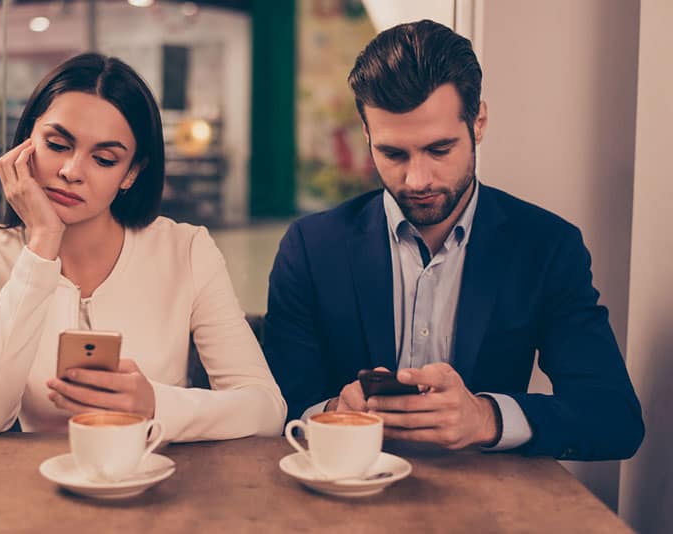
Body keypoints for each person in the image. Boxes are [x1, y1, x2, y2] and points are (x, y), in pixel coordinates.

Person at [264, 20, 643, 460]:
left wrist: (486, 418)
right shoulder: (311, 247)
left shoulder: (546, 246)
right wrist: (332, 411)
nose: (417, 179)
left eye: (439, 150)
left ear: (478, 122)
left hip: (487, 507)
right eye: (393, 153)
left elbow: (615, 417)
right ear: (366, 134)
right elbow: (276, 406)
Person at [0, 53, 286, 441]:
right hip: (35, 488)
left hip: (152, 482)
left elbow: (265, 410)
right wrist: (41, 244)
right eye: (57, 144)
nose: (72, 172)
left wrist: (155, 404)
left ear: (131, 173)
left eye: (104, 159)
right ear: (26, 144)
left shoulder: (186, 251)